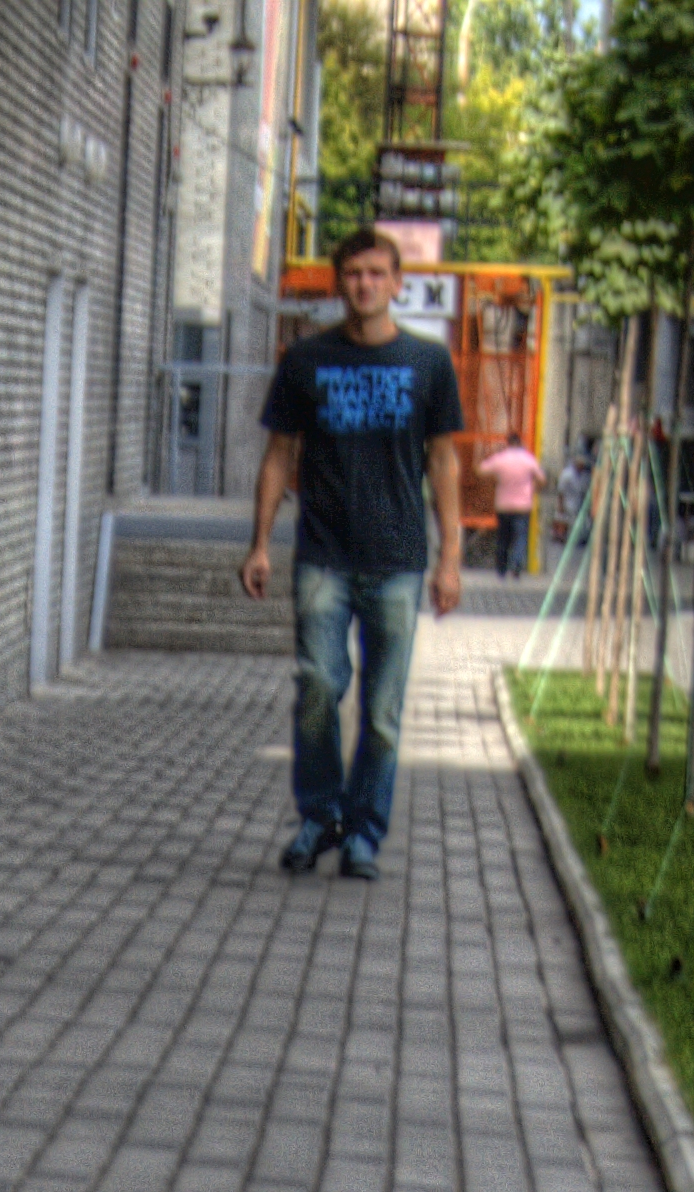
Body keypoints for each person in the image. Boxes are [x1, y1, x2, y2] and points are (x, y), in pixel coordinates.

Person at [240, 228, 465, 882]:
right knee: (317, 686)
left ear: (398, 283)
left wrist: (451, 559)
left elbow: (444, 462)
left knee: (383, 711)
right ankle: (320, 817)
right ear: (339, 283)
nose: (364, 285)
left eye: (376, 274)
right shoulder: (306, 360)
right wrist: (259, 544)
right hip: (323, 555)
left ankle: (364, 831)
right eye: (353, 274)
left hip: (397, 559)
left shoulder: (428, 364)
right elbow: (280, 453)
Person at [478, 433, 544, 576]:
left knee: (503, 537)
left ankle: (501, 568)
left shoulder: (501, 458)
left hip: (503, 504)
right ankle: (516, 563)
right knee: (520, 536)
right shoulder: (528, 459)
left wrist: (495, 479)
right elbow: (541, 479)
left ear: (507, 443)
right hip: (523, 505)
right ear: (520, 443)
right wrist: (533, 489)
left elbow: (482, 470)